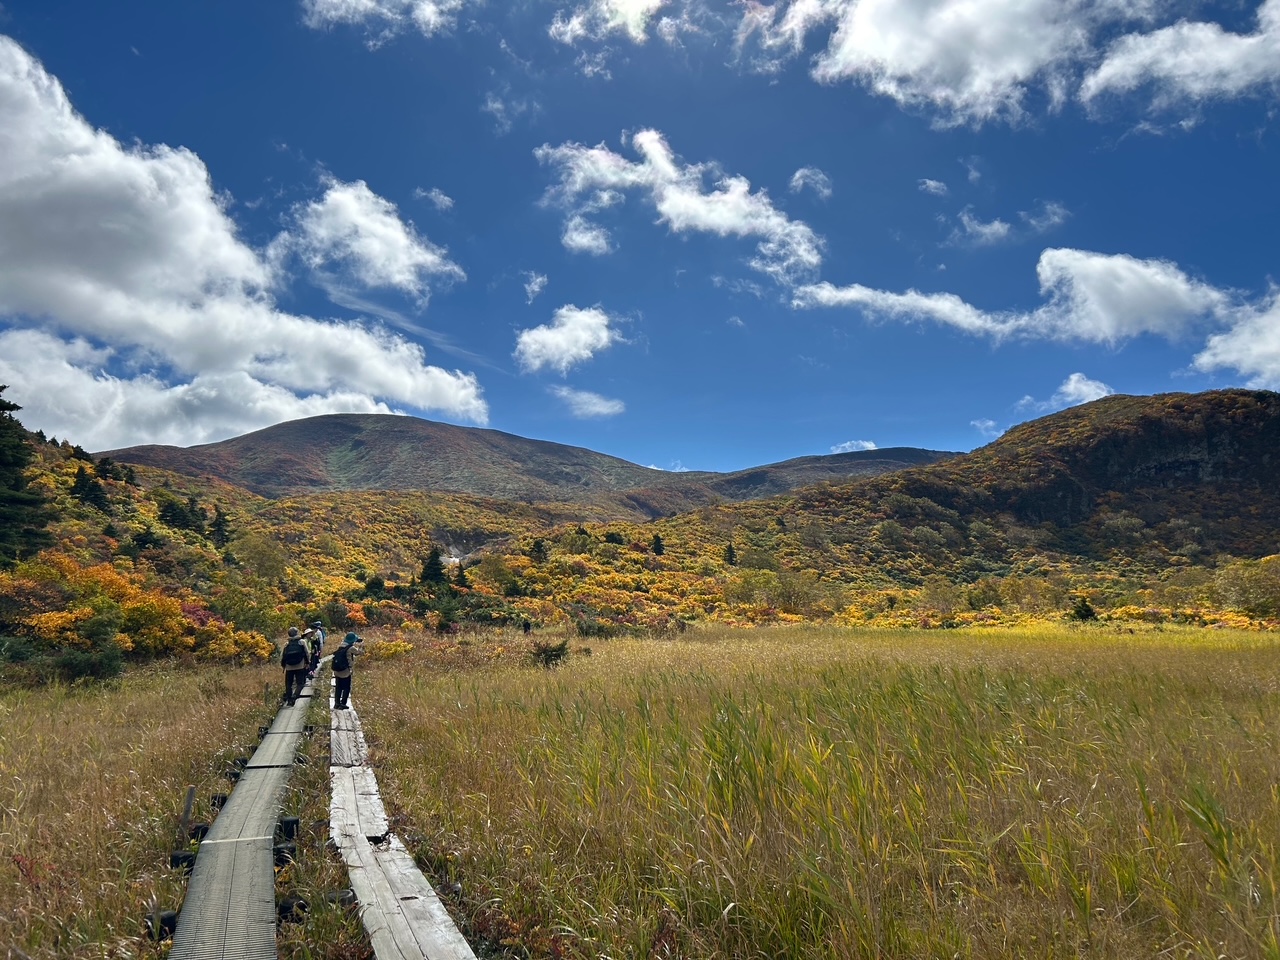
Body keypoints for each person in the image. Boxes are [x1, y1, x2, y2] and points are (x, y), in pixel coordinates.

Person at [331, 632, 363, 711]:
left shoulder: (341, 646)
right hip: (345, 671)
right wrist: (361, 646)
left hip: (337, 670)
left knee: (338, 687)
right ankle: (343, 703)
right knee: (346, 687)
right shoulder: (351, 648)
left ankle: (337, 703)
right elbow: (360, 653)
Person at [280, 627, 310, 706]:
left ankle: (289, 700)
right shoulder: (302, 642)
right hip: (300, 666)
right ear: (297, 633)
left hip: (289, 667)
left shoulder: (287, 644)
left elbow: (282, 656)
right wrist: (307, 663)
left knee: (288, 684)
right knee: (300, 683)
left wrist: (283, 666)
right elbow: (307, 653)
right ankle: (295, 696)